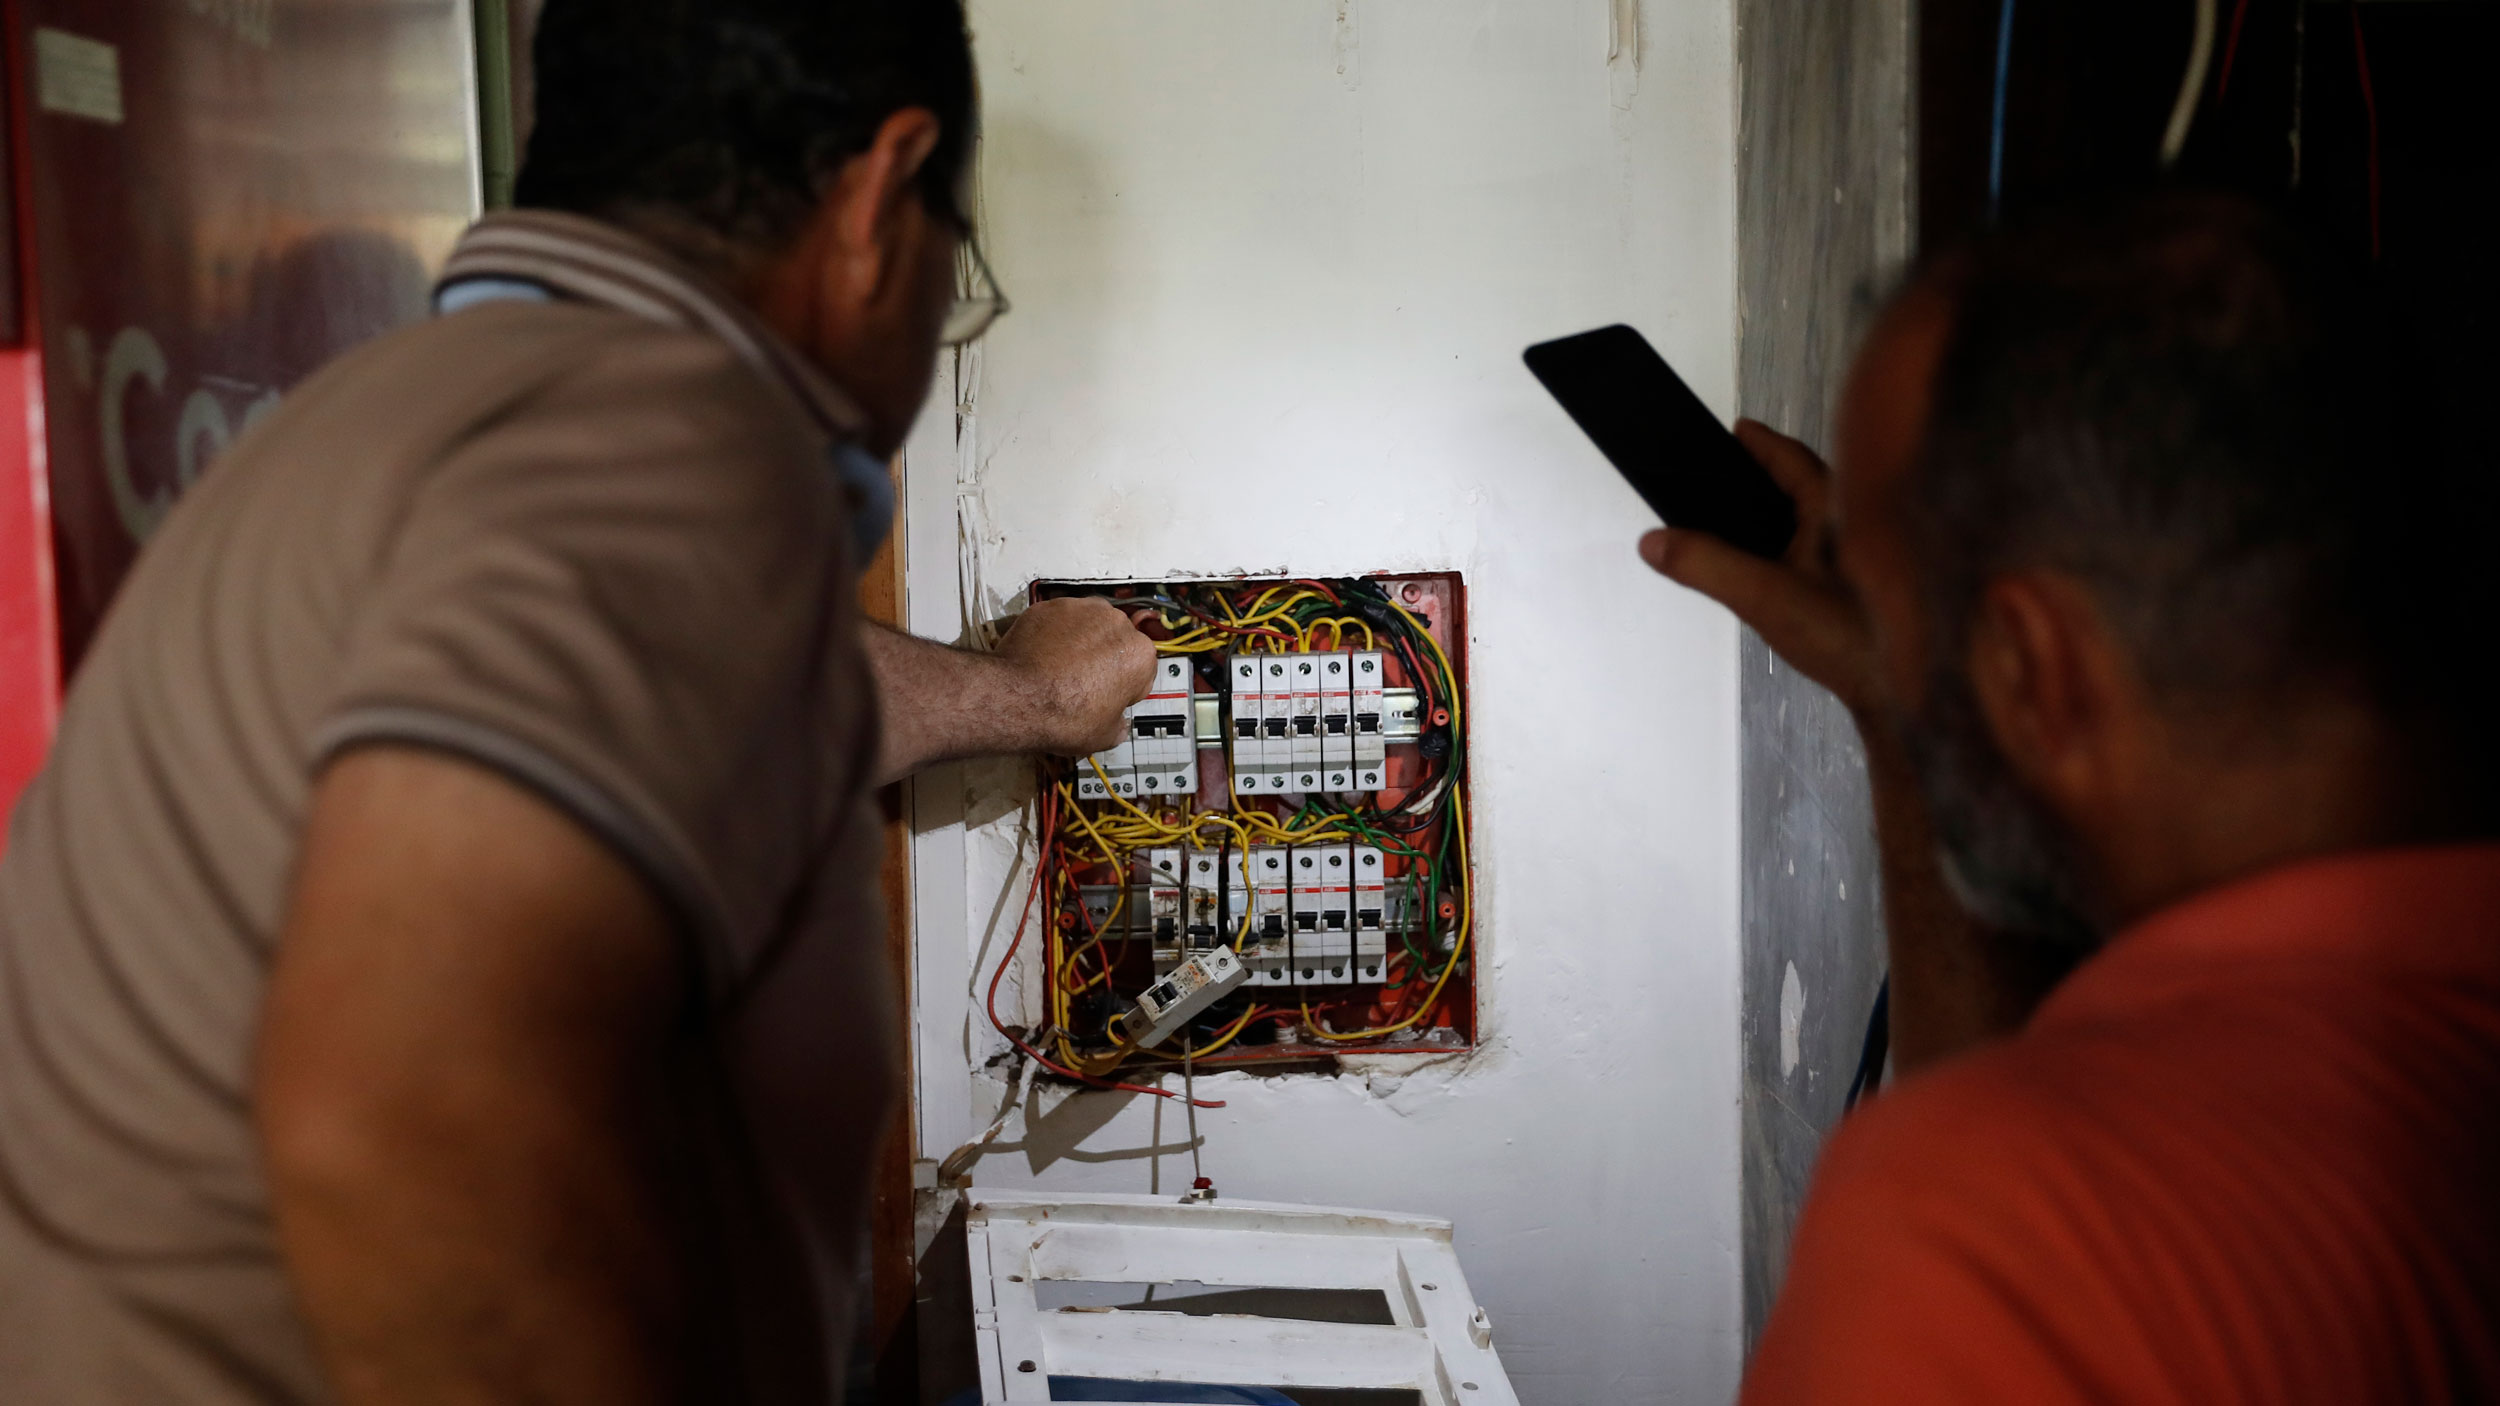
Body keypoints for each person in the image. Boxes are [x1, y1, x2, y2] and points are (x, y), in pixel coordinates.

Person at [0, 0, 1152, 1400]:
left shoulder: (401, 424)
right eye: (948, 266)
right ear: (873, 198)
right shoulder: (645, 442)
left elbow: (692, 698)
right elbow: (405, 1126)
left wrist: (1029, 700)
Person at [1647, 191, 2499, 1401]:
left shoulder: (1984, 1229)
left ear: (2028, 663)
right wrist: (1905, 717)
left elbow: (2019, 1197)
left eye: (1900, 625)